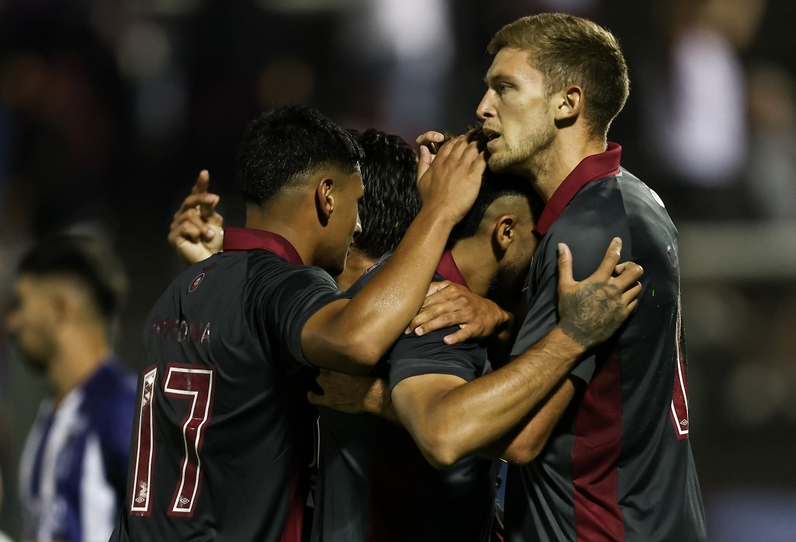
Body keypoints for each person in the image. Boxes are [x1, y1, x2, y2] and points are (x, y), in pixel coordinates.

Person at [168, 124, 643, 541]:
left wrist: (499, 325)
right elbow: (488, 437)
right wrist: (575, 334)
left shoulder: (391, 309)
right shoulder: (420, 310)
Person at [414, 12, 707, 542]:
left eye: (505, 88)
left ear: (567, 103)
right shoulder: (633, 201)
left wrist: (385, 400)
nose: (483, 107)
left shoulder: (589, 234)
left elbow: (521, 436)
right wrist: (504, 320)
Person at [6, 234, 135, 542]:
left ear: (60, 307)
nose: (12, 323)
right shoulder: (53, 414)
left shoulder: (124, 408)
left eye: (21, 304)